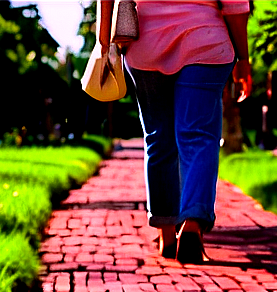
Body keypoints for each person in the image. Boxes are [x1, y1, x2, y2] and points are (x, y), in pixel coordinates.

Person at [98, 0, 252, 262]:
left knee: (158, 139)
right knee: (199, 137)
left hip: (147, 44)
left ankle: (167, 235)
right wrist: (244, 58)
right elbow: (235, 6)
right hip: (205, 41)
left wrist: (104, 44)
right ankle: (192, 222)